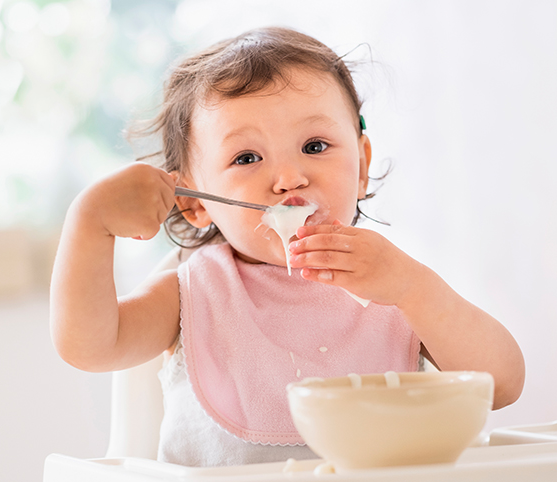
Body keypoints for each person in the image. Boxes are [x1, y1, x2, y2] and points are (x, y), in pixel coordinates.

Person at [50, 27, 525, 467]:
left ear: (360, 167)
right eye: (247, 157)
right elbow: (90, 346)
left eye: (315, 146)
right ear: (195, 204)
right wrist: (90, 224)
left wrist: (412, 288)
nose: (288, 178)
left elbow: (501, 385)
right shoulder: (194, 294)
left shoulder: (393, 284)